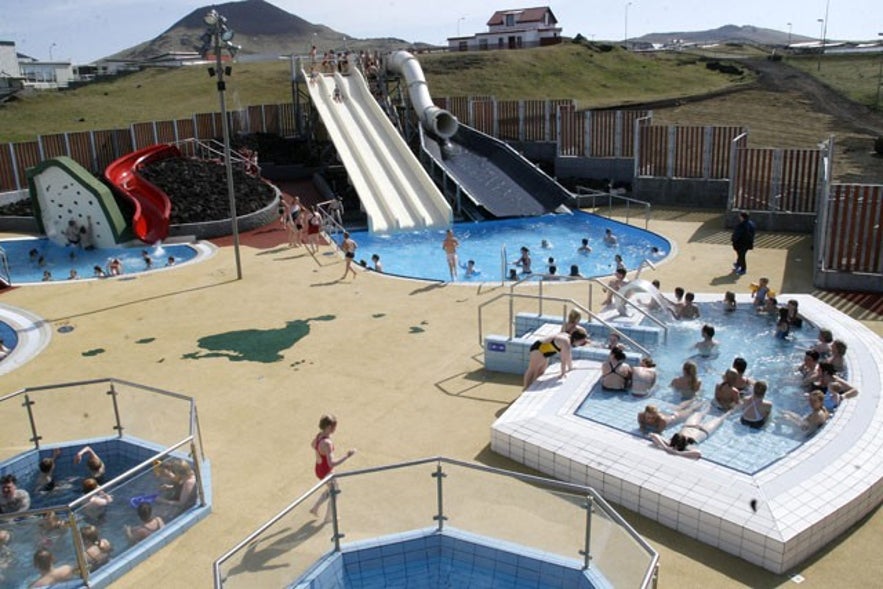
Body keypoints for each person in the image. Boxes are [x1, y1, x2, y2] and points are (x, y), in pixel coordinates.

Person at [309, 414, 357, 522]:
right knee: (335, 491)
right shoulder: (327, 443)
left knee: (331, 489)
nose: (335, 429)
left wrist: (320, 455)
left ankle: (315, 508)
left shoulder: (319, 436)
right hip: (326, 471)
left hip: (319, 468)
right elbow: (332, 463)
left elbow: (312, 445)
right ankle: (329, 517)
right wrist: (347, 456)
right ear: (329, 427)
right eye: (334, 426)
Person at [649, 407, 734, 459]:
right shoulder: (687, 447)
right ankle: (731, 410)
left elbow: (653, 435)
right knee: (722, 418)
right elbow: (698, 453)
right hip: (704, 430)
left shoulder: (669, 443)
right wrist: (679, 453)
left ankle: (710, 405)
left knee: (701, 412)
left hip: (689, 425)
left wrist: (666, 448)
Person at [523, 327, 589, 390]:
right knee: (532, 369)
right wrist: (563, 373)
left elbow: (568, 356)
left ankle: (532, 386)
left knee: (541, 371)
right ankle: (525, 387)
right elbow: (563, 360)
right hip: (538, 349)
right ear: (575, 339)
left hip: (545, 351)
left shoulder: (569, 338)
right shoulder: (565, 342)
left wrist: (570, 368)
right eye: (581, 342)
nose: (581, 344)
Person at [638, 399, 704, 434]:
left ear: (656, 415)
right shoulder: (641, 415)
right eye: (648, 417)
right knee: (680, 406)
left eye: (653, 417)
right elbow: (641, 425)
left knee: (691, 410)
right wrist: (642, 428)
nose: (650, 419)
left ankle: (701, 402)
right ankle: (694, 399)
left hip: (674, 416)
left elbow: (658, 432)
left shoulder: (662, 420)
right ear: (645, 413)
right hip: (667, 411)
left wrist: (646, 433)